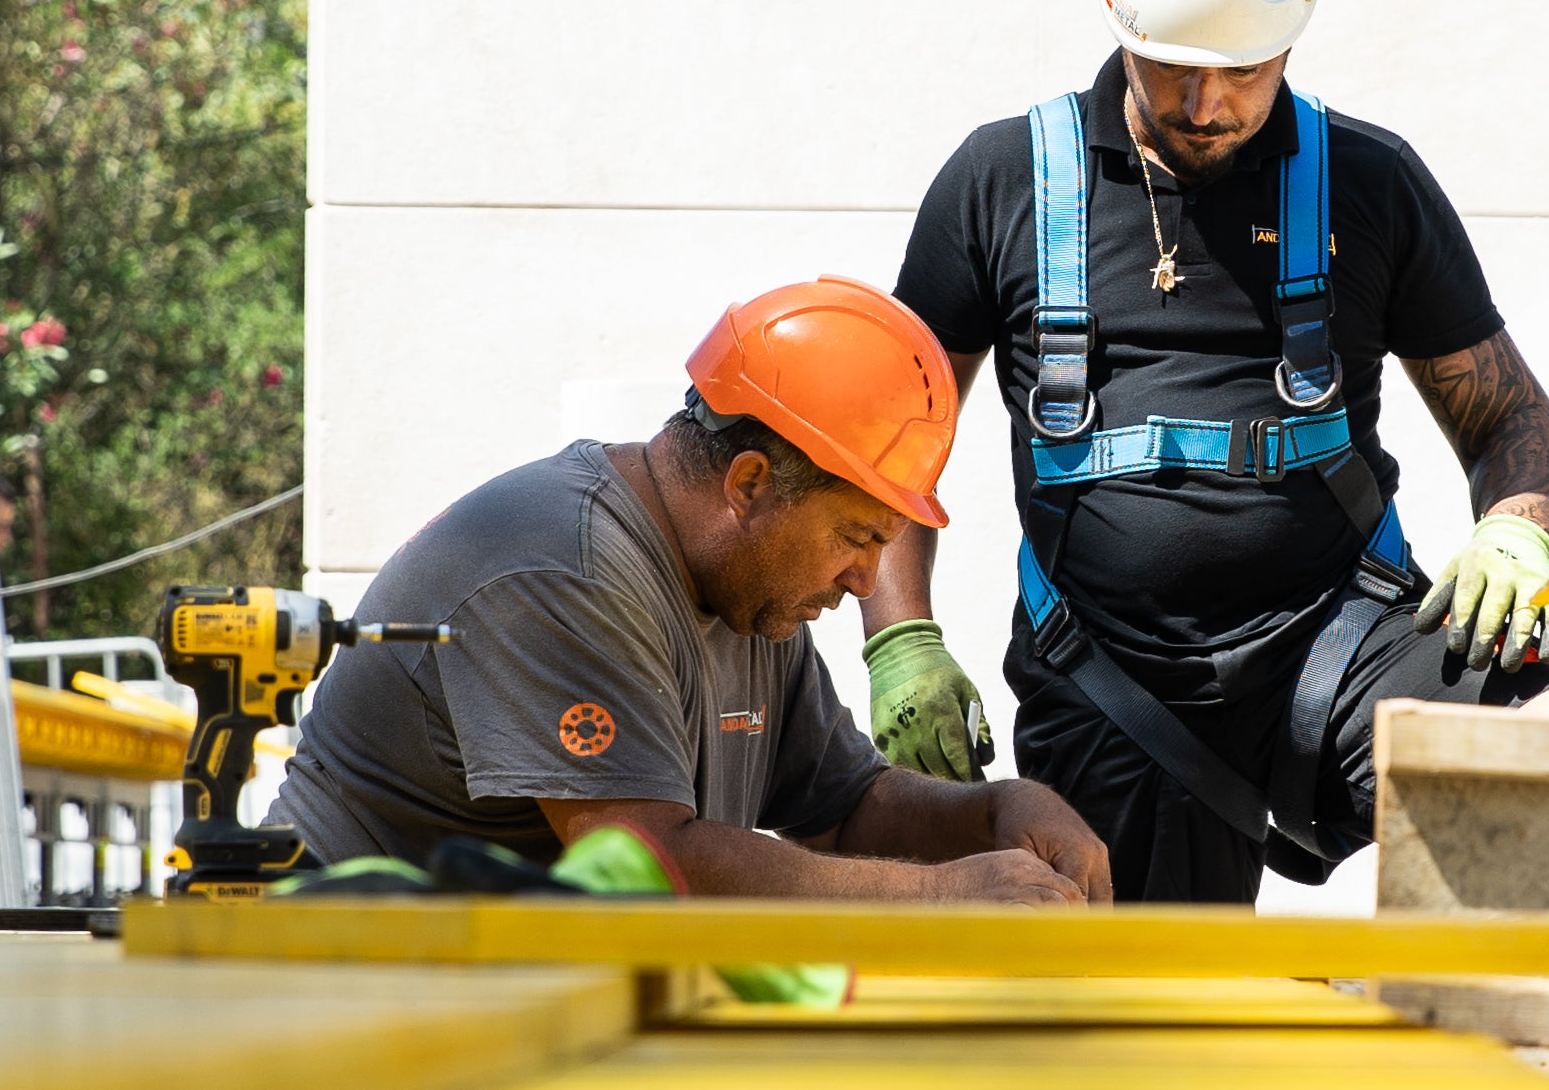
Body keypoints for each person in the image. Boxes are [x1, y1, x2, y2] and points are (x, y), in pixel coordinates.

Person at [859, 0, 1549, 907]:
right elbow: (891, 437)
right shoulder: (1002, 184)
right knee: (1130, 1027)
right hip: (1106, 676)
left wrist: (1517, 525)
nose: (1206, 101)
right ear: (1119, 23)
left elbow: (1509, 418)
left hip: (1344, 637)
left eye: (1245, 69)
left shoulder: (1368, 184)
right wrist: (901, 635)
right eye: (1170, 64)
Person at [269, 279, 1114, 903]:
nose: (864, 582)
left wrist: (1000, 808)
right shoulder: (565, 569)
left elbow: (848, 805)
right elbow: (643, 857)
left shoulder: (756, 596)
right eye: (856, 537)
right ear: (749, 483)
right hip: (331, 981)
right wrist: (938, 898)